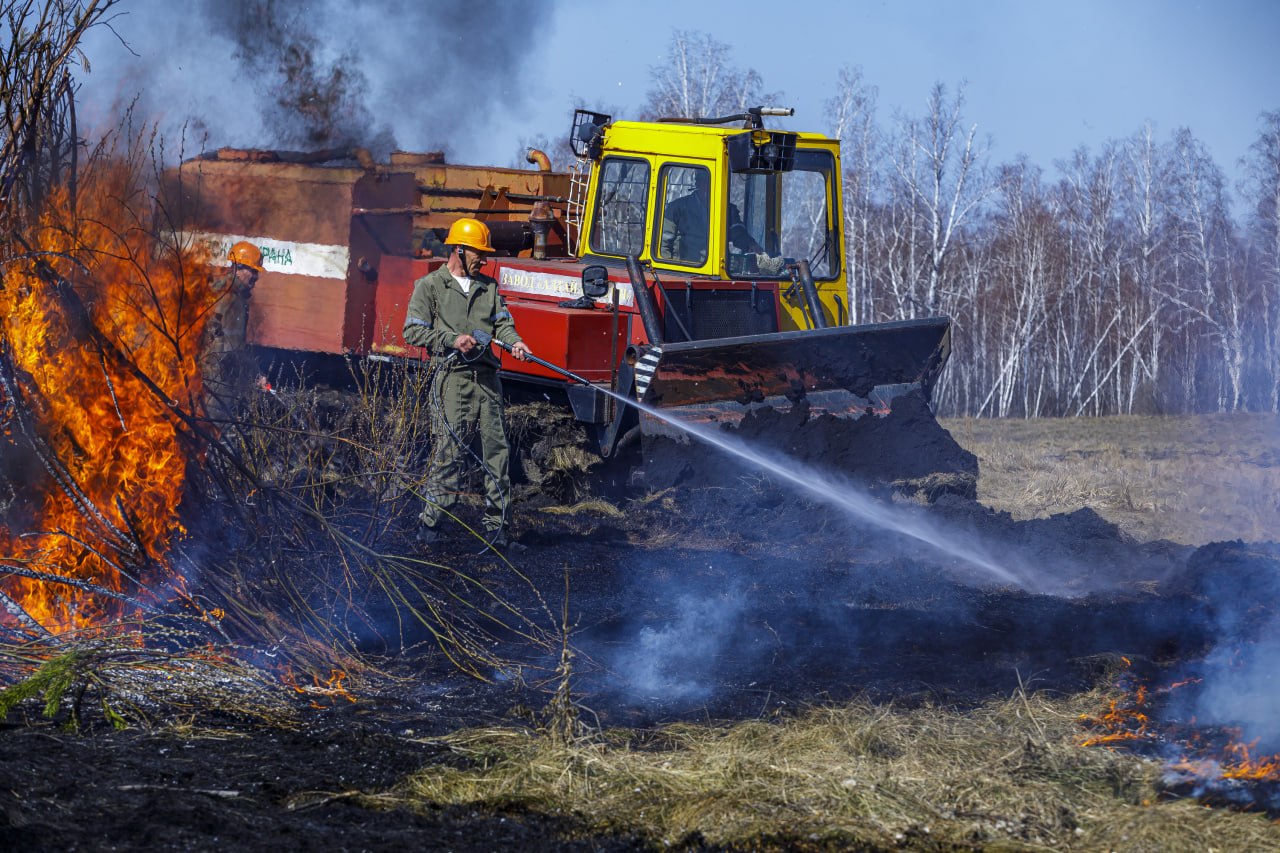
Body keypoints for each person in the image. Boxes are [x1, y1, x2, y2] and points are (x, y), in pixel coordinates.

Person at [402, 217, 532, 551]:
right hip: (452, 380)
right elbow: (413, 331)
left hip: (488, 382)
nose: (484, 259)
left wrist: (516, 342)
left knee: (498, 456)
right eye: (479, 252)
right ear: (458, 249)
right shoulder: (429, 286)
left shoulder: (488, 289)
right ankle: (429, 529)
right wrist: (451, 339)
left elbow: (503, 325)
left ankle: (496, 532)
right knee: (449, 454)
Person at [201, 240, 263, 420]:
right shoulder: (233, 300)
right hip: (219, 378)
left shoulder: (218, 290)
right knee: (219, 430)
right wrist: (255, 374)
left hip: (206, 372)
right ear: (239, 267)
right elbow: (233, 349)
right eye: (253, 271)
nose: (255, 277)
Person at [660, 169, 763, 264]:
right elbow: (663, 243)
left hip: (718, 271)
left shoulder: (728, 210)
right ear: (698, 183)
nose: (709, 188)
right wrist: (669, 270)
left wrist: (750, 244)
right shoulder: (677, 208)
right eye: (705, 183)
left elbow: (737, 232)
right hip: (686, 270)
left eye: (714, 184)